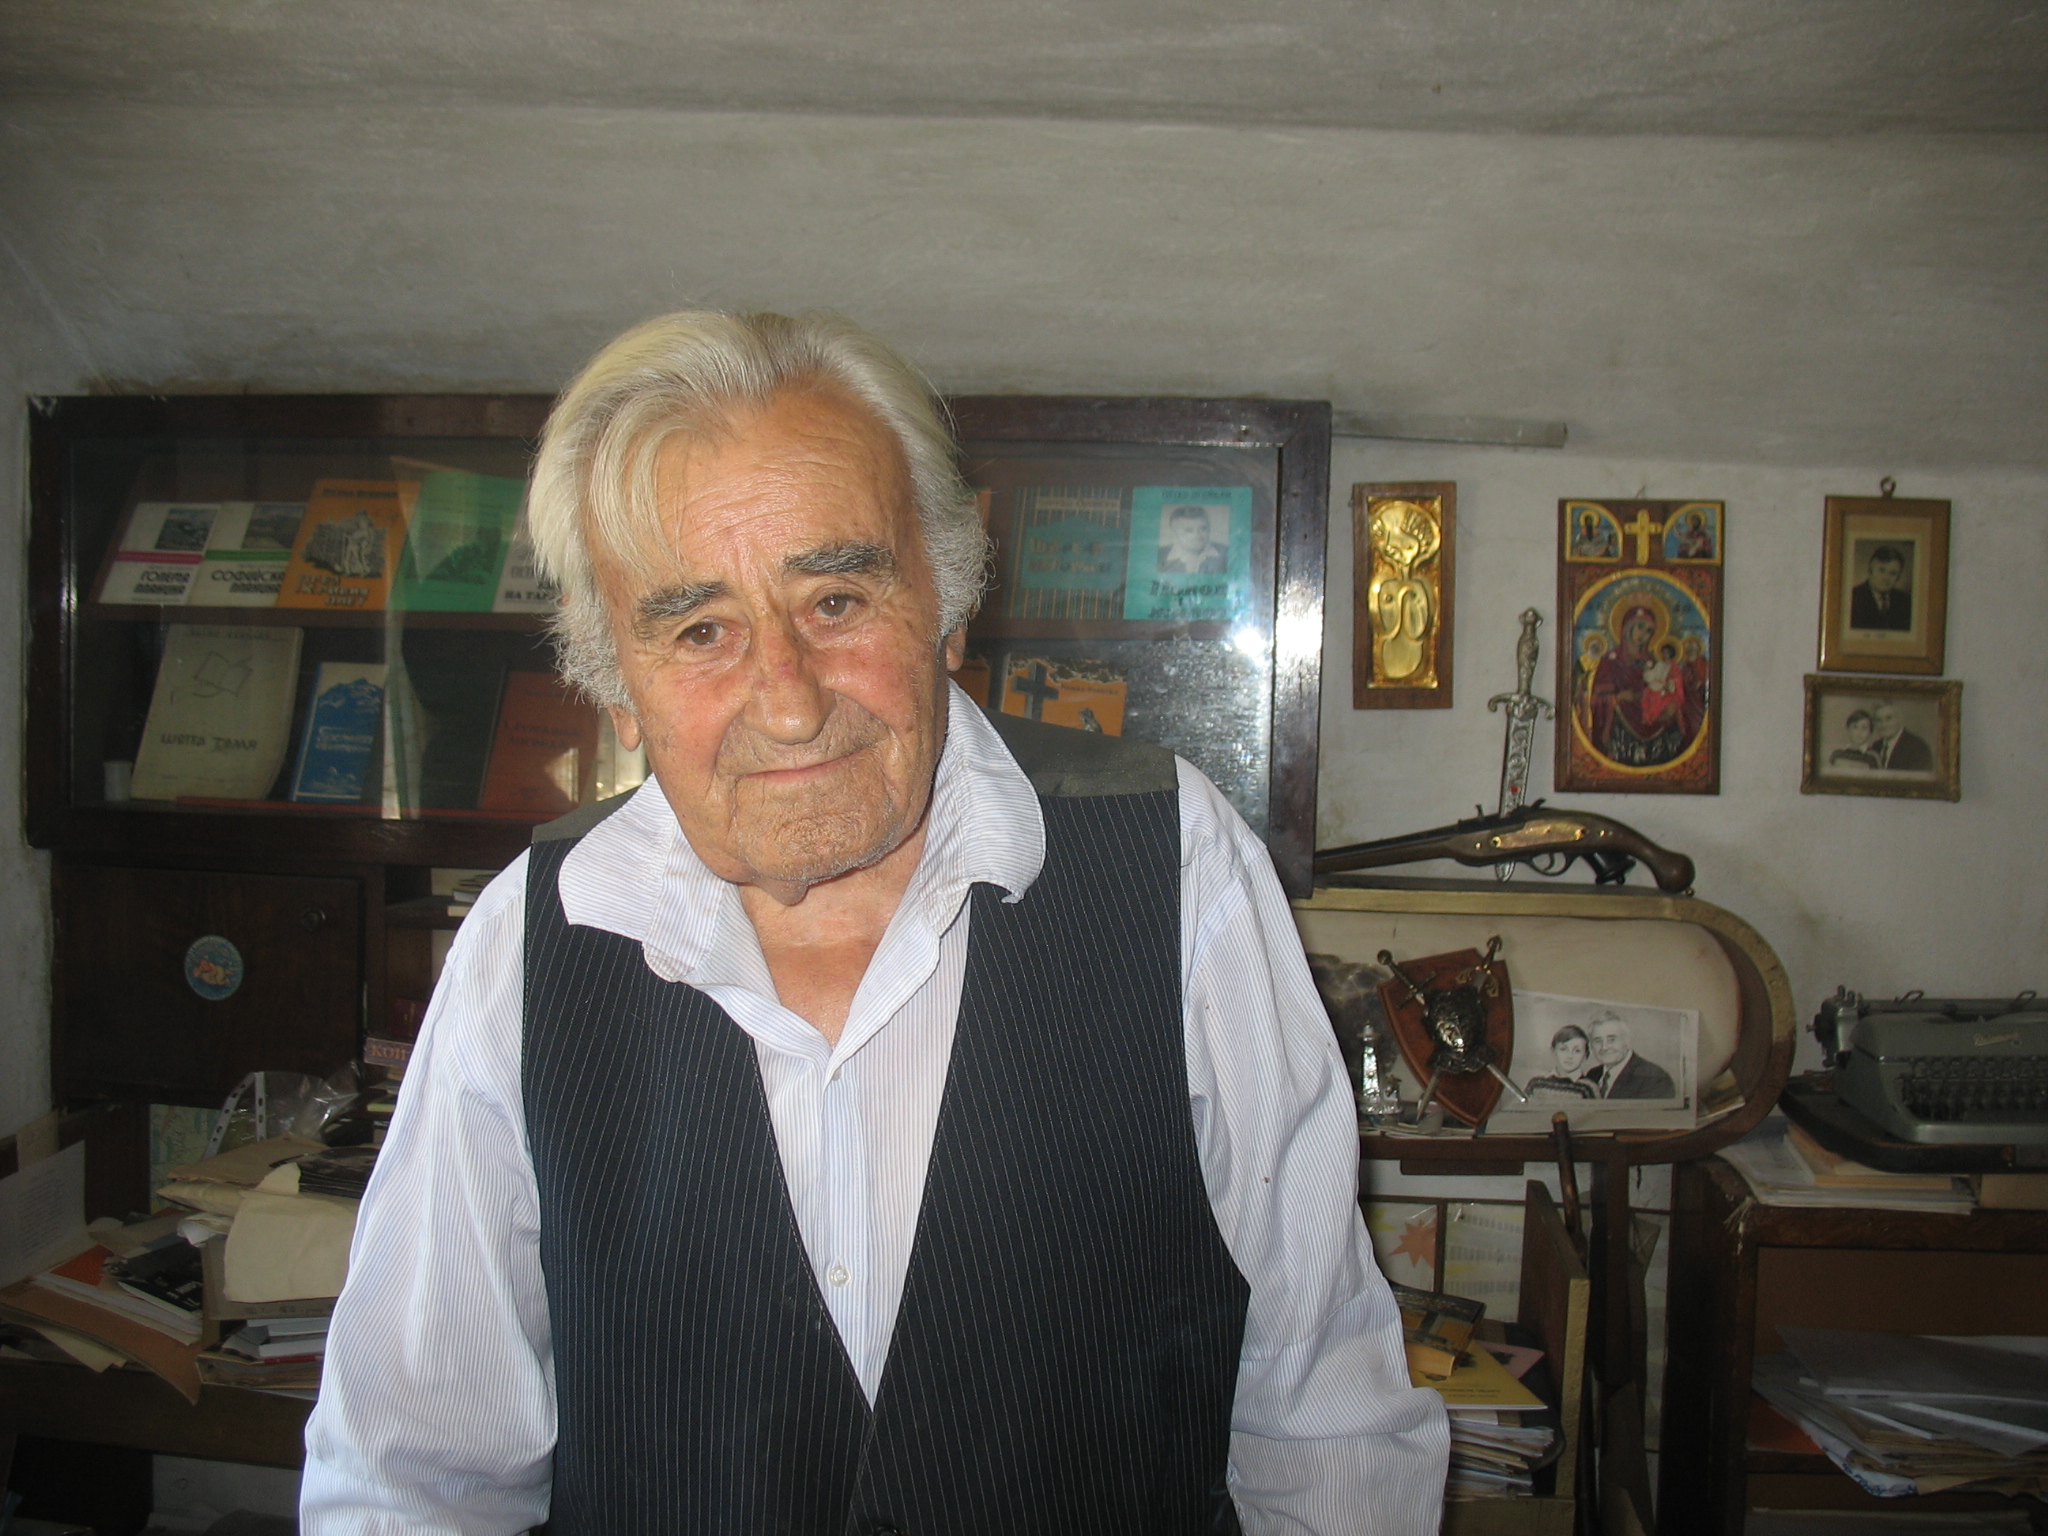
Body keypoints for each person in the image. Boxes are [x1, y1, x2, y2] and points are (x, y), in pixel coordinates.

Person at [301, 310, 1445, 1535]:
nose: (786, 705)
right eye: (698, 631)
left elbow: (1324, 1422)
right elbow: (411, 1474)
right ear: (612, 686)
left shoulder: (1177, 863)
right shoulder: (528, 946)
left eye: (836, 598)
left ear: (948, 612)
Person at [1585, 603, 1705, 768]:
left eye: (1649, 631)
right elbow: (1595, 701)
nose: (1644, 634)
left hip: (1656, 730)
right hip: (1622, 734)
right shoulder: (1610, 661)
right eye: (1640, 627)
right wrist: (1617, 698)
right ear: (1628, 628)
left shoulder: (1655, 663)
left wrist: (1673, 705)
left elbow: (1668, 691)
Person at [1584, 1013, 1676, 1099]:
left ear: (1627, 1041)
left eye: (1611, 1039)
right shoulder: (1592, 1075)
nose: (1604, 1047)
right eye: (1598, 1040)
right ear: (1591, 1045)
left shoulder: (1654, 1078)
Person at [1524, 1024, 1597, 1101]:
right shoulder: (1536, 1084)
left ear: (1585, 1055)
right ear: (1553, 1051)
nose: (1569, 1056)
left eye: (1577, 1051)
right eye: (1563, 1049)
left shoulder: (1588, 1088)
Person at [1850, 545, 1912, 631]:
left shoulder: (1906, 601)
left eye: (1893, 573)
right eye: (1881, 570)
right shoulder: (1853, 597)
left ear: (1898, 577)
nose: (1886, 578)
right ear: (1870, 569)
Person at [1158, 501, 1229, 574]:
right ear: (1174, 532)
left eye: (1203, 528)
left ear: (1209, 528)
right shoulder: (1159, 556)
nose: (1197, 535)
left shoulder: (1227, 554)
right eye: (1189, 530)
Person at [1869, 698, 1934, 771]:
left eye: (1888, 718)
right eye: (1879, 720)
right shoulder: (1875, 747)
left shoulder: (1918, 748)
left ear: (1899, 719)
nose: (1883, 725)